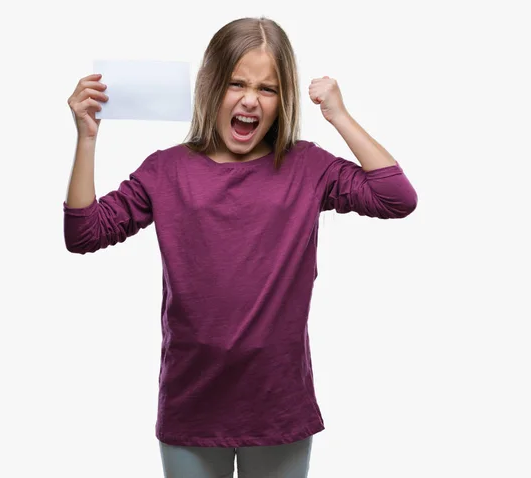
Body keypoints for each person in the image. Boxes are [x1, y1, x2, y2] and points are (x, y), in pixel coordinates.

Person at [64, 16, 417, 478]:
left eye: (267, 89)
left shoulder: (307, 167)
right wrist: (86, 139)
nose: (250, 99)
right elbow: (85, 233)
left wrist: (338, 115)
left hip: (278, 407)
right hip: (192, 405)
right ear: (212, 85)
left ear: (283, 99)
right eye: (236, 83)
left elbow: (397, 198)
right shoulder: (166, 170)